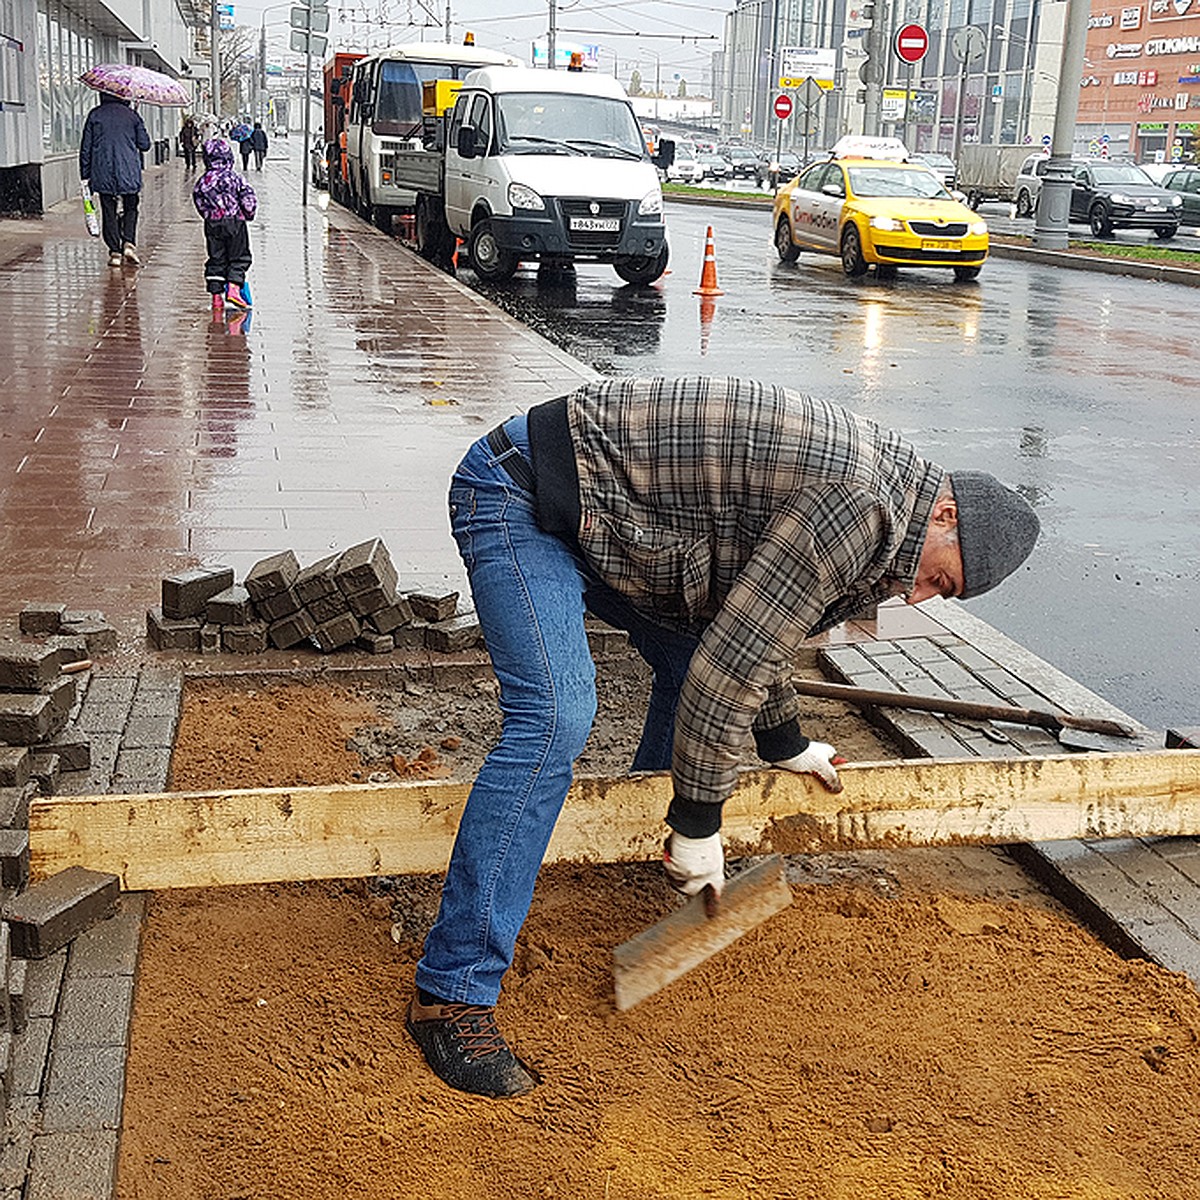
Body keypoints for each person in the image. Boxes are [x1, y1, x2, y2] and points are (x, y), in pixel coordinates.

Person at [405, 376, 1041, 1099]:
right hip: (521, 492)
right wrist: (702, 820)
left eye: (938, 596)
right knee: (556, 715)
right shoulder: (861, 508)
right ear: (946, 514)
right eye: (938, 580)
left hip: (613, 517)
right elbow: (729, 666)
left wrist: (786, 743)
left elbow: (756, 624)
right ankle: (450, 993)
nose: (919, 596)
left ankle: (645, 853)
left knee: (685, 655)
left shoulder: (892, 513)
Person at [79, 91, 151, 267]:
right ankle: (128, 242)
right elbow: (145, 144)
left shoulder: (95, 115)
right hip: (128, 171)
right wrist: (136, 122)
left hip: (103, 170)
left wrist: (85, 174)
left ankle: (115, 252)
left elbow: (86, 148)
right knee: (131, 207)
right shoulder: (132, 116)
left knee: (108, 210)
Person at [192, 139, 257, 315]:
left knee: (216, 258)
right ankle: (234, 289)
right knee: (239, 256)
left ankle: (216, 298)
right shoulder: (234, 178)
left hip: (213, 224)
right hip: (235, 221)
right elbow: (247, 196)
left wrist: (208, 215)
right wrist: (248, 213)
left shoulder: (204, 181)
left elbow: (198, 201)